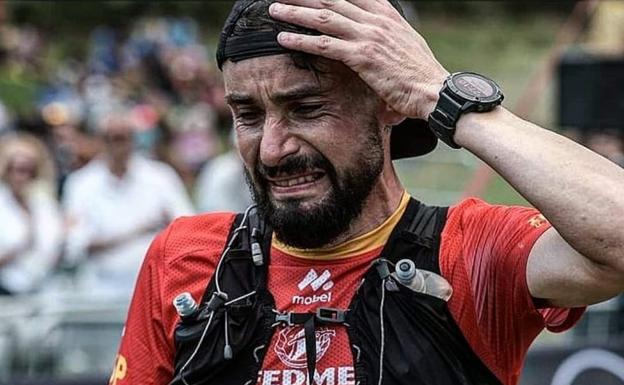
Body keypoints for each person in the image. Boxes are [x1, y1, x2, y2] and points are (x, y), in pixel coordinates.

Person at [110, 1, 624, 385]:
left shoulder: (469, 252)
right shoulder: (185, 256)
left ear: (389, 106)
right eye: (247, 115)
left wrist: (439, 95)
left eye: (307, 109)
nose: (271, 149)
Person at [63, 113, 194, 299]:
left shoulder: (160, 176)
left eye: (122, 138)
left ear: (133, 139)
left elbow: (185, 226)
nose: (117, 146)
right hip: (100, 290)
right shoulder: (80, 183)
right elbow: (77, 243)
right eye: (111, 138)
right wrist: (142, 229)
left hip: (154, 285)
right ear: (99, 141)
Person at [0, 133, 63, 295]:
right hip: (5, 291)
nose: (22, 176)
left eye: (29, 170)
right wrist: (20, 246)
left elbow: (54, 247)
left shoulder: (44, 203)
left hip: (43, 289)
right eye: (17, 169)